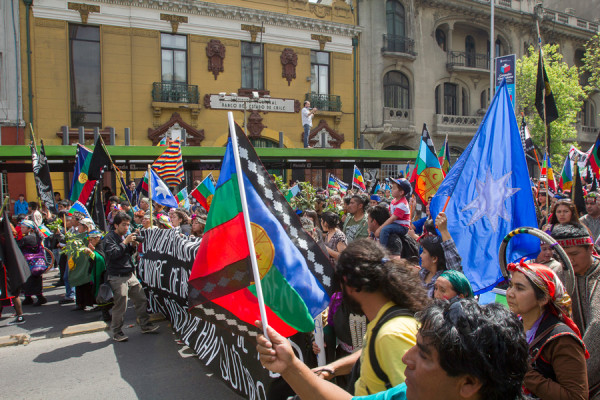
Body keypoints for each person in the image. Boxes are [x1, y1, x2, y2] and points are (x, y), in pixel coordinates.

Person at [256, 299, 529, 400]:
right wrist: (291, 366)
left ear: (469, 383)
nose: (404, 357)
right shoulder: (405, 394)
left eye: (423, 355)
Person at [313, 239, 430, 396]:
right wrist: (332, 369)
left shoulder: (390, 335)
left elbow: (414, 394)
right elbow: (372, 352)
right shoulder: (383, 321)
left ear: (349, 284)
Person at [506, 261, 589, 400]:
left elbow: (577, 397)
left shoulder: (562, 340)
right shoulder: (511, 328)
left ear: (543, 298)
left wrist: (524, 372)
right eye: (510, 286)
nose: (510, 293)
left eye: (519, 288)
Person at [551, 224, 600, 398]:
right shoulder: (557, 274)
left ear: (590, 249)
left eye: (574, 254)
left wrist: (574, 373)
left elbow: (597, 326)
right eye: (563, 257)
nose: (569, 261)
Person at [104, 212, 158, 342]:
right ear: (116, 225)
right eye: (124, 225)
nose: (127, 228)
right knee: (120, 304)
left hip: (129, 273)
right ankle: (117, 332)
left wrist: (132, 246)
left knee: (141, 298)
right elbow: (113, 254)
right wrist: (125, 242)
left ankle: (145, 325)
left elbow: (127, 254)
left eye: (128, 225)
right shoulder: (109, 238)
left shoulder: (124, 237)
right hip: (117, 275)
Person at [418, 212, 462, 297]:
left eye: (424, 252)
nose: (420, 256)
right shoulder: (421, 274)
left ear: (434, 258)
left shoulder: (446, 279)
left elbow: (454, 263)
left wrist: (443, 230)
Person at [18, 220, 47, 306]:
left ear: (30, 229)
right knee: (32, 280)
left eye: (23, 227)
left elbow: (18, 246)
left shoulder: (27, 238)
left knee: (31, 280)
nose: (21, 229)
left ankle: (40, 298)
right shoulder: (36, 236)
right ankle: (28, 298)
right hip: (34, 262)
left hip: (31, 263)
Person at [375, 179, 411, 247]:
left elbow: (392, 218)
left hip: (402, 226)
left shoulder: (402, 204)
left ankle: (383, 251)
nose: (391, 189)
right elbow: (389, 214)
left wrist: (380, 229)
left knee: (385, 229)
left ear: (401, 192)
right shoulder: (393, 201)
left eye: (394, 188)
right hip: (394, 224)